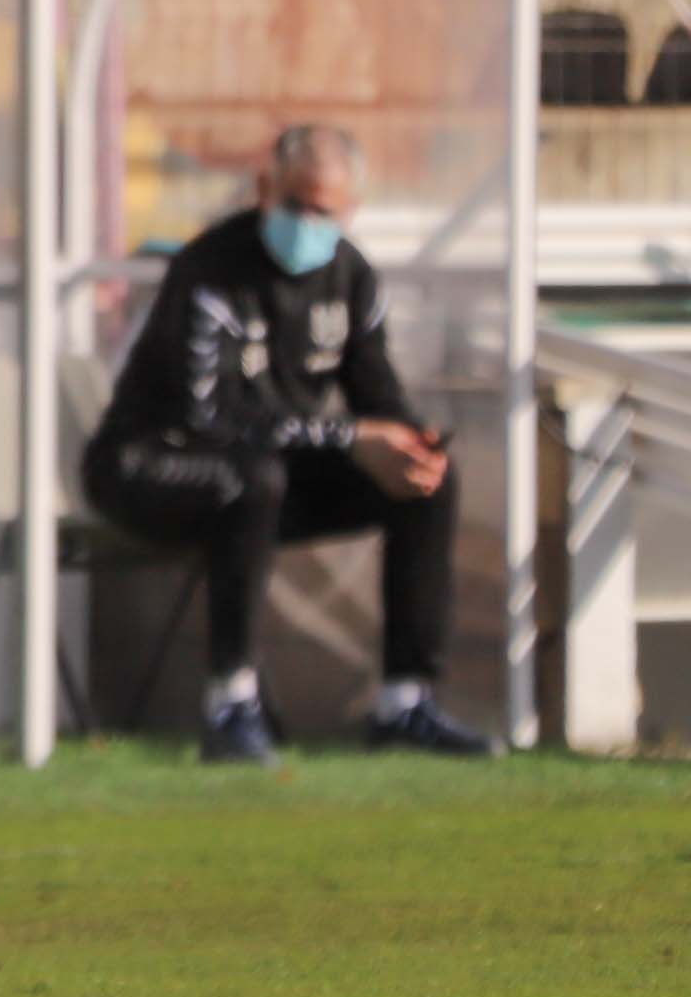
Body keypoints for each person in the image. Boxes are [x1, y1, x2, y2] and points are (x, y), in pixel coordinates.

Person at [80, 124, 495, 767]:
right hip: (146, 466)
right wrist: (349, 437)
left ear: (352, 209)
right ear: (265, 188)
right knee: (249, 480)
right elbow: (210, 417)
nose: (306, 224)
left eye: (323, 212)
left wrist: (409, 444)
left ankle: (406, 704)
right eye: (294, 204)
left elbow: (377, 395)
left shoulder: (352, 277)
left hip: (264, 472)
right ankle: (230, 706)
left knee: (427, 482)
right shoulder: (210, 270)